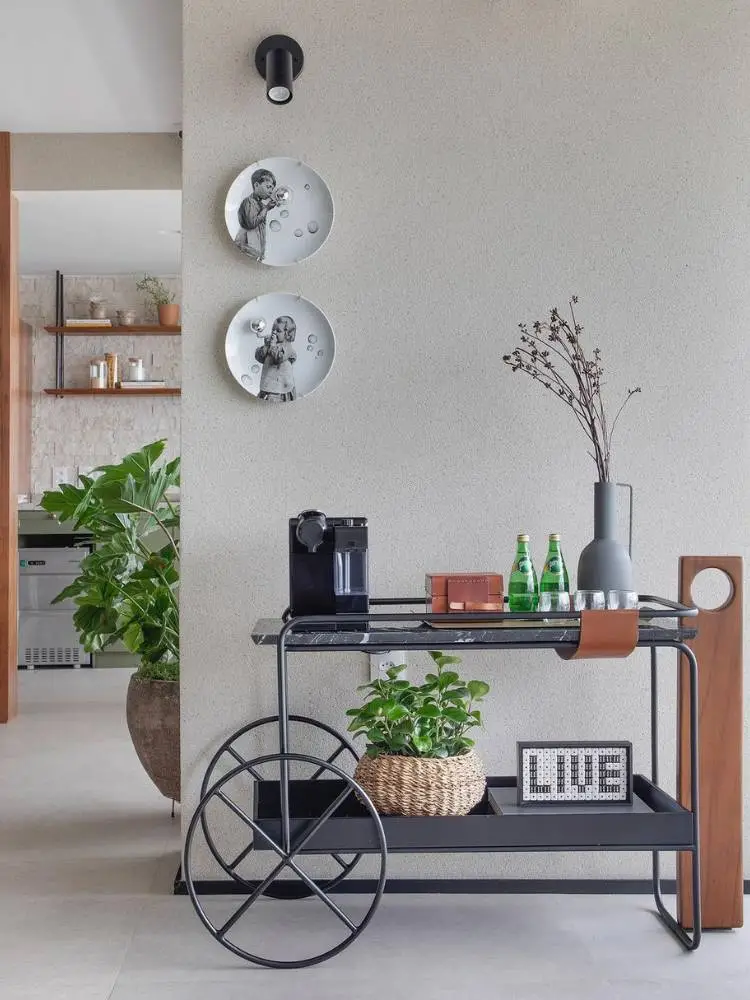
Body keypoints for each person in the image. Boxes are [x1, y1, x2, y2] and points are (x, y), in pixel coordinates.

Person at [234, 169, 279, 261]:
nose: (271, 191)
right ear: (256, 185)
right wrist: (266, 209)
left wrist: (261, 252)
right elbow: (251, 223)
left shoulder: (261, 205)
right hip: (245, 249)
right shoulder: (249, 202)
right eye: (268, 187)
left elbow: (260, 230)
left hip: (255, 252)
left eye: (272, 188)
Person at [255, 315, 297, 401]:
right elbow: (259, 358)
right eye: (273, 329)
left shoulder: (287, 347)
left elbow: (278, 359)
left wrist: (272, 345)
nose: (274, 333)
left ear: (287, 334)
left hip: (281, 390)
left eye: (278, 331)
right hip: (267, 386)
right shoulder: (271, 345)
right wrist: (266, 346)